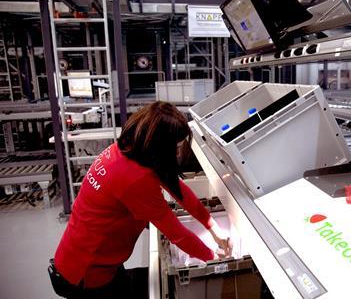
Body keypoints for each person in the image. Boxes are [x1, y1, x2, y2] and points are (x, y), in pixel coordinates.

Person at [49, 101, 232, 299]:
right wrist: (213, 258)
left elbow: (176, 186)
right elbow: (177, 234)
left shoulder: (131, 149)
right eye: (176, 147)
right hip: (86, 273)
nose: (179, 153)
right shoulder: (134, 178)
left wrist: (212, 226)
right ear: (160, 147)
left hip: (91, 257)